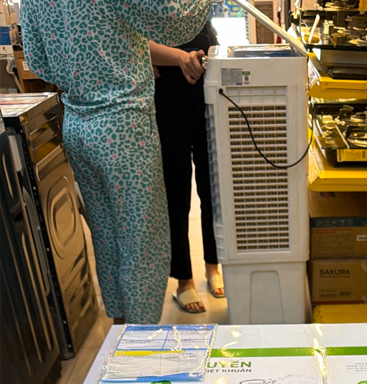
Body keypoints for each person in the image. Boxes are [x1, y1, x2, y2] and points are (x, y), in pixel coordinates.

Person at [20, 0, 211, 325]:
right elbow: (177, 20)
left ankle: (121, 327)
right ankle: (139, 341)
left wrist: (85, 70)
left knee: (106, 235)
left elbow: (37, 60)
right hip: (122, 123)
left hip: (77, 121)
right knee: (141, 244)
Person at [150, 21, 224, 315]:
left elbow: (208, 30)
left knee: (213, 184)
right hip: (166, 92)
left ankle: (213, 265)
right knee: (176, 189)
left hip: (205, 87)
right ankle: (183, 280)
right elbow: (135, 39)